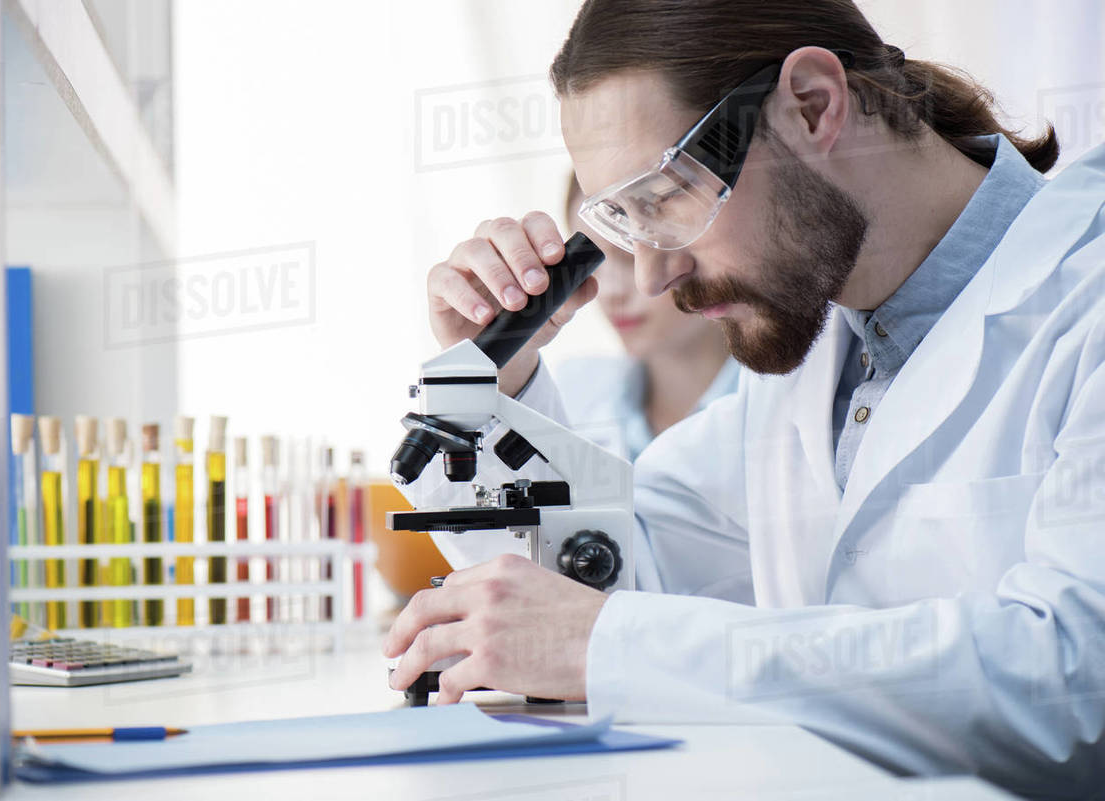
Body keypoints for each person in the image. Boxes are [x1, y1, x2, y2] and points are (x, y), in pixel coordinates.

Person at [385, 0, 1105, 796]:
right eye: (623, 223)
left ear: (813, 106)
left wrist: (616, 647)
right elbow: (606, 582)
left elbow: (1076, 680)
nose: (654, 276)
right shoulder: (815, 360)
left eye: (667, 197)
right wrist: (492, 375)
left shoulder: (1084, 299)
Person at [556, 173, 739, 461]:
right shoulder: (569, 396)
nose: (610, 292)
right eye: (589, 264)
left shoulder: (799, 399)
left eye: (629, 256)